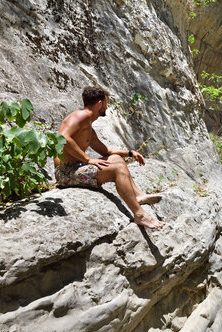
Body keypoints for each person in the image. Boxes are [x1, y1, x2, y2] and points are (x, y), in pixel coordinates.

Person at [54, 86, 165, 229]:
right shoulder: (80, 116)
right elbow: (62, 137)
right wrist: (88, 159)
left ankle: (138, 196)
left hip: (76, 168)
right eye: (106, 103)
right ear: (100, 103)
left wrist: (130, 153)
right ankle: (139, 214)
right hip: (65, 173)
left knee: (116, 159)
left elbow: (106, 151)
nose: (106, 107)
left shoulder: (88, 127)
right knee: (117, 170)